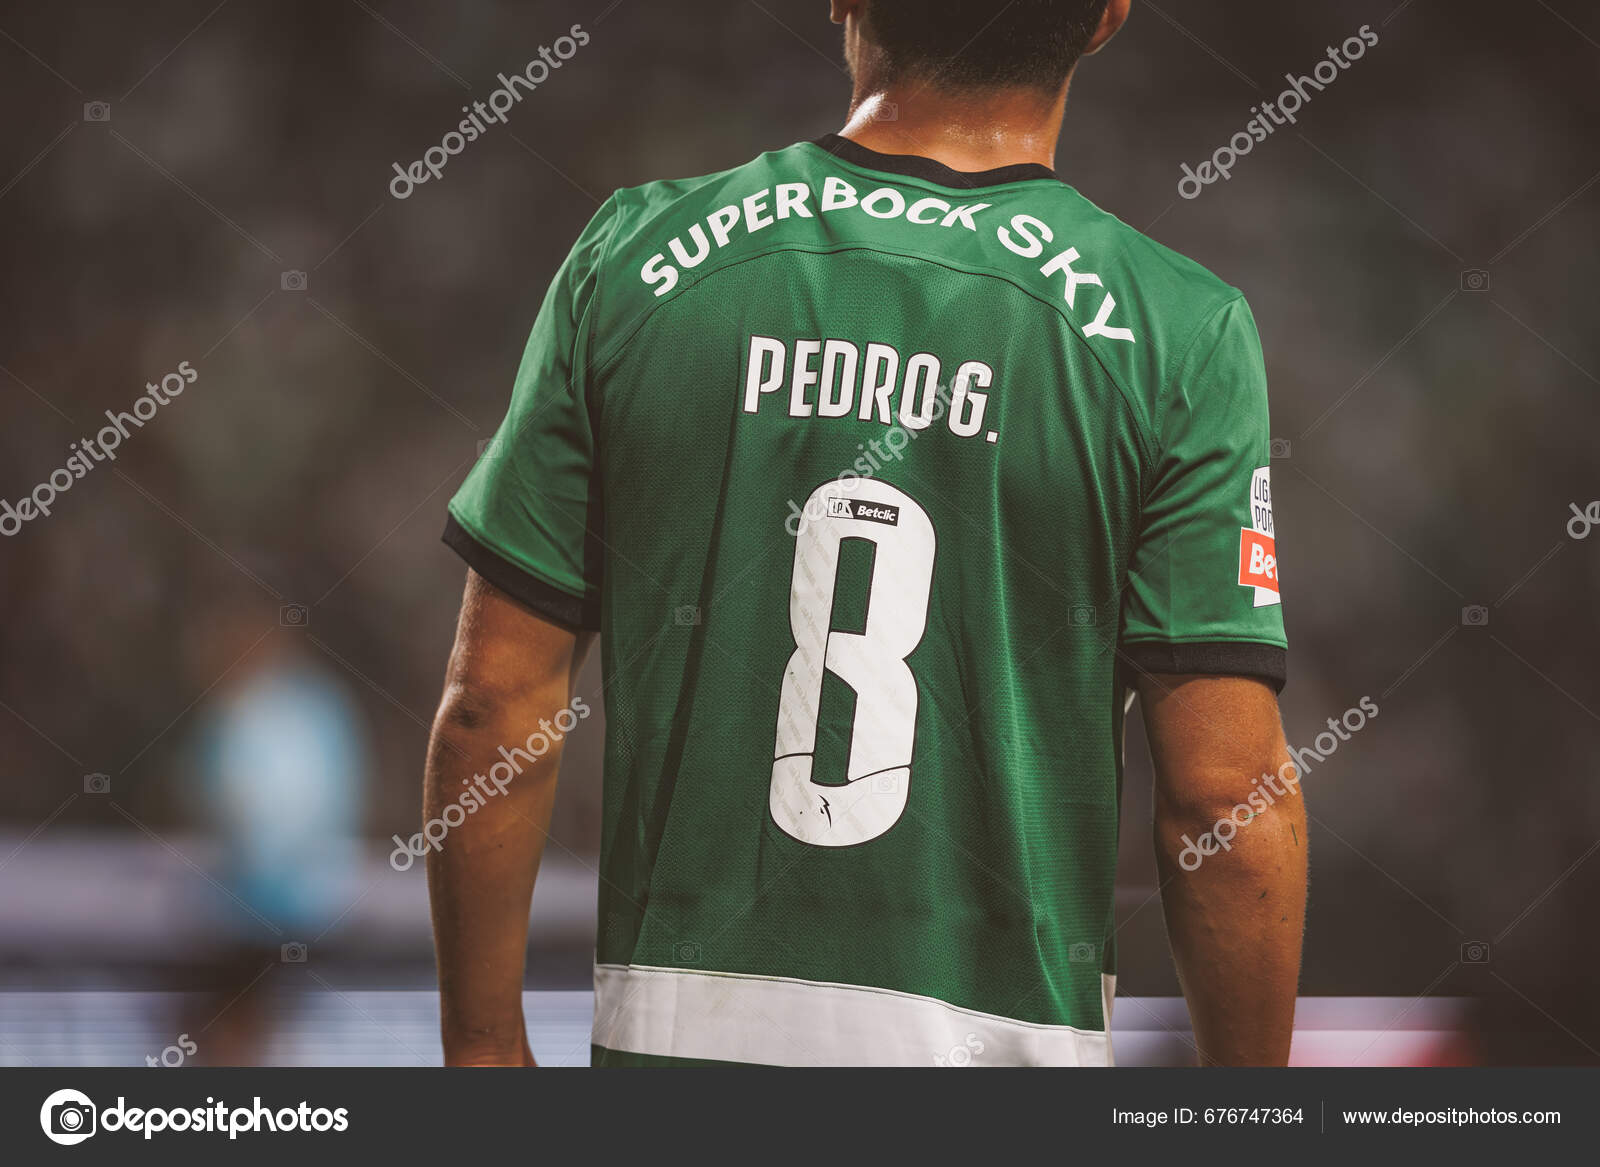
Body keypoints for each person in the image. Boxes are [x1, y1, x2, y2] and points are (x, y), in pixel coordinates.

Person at [425, 0, 1306, 1067]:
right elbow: (1221, 795)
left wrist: (481, 1054)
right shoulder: (1176, 331)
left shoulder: (638, 261)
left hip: (678, 1050)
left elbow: (491, 705)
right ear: (1107, 16)